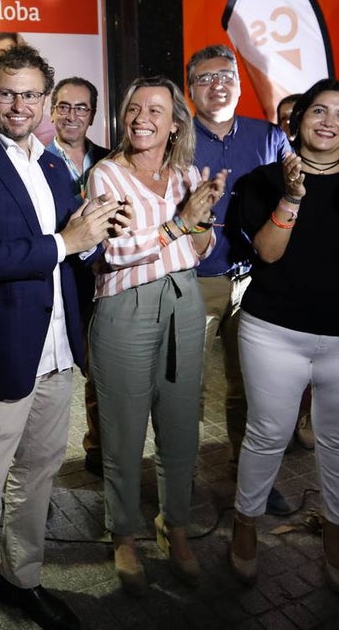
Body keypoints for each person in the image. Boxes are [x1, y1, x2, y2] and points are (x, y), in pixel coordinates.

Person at [0, 44, 122, 629]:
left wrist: (93, 232)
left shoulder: (50, 164)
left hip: (58, 351)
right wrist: (68, 241)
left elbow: (67, 249)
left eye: (31, 94)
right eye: (8, 92)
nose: (21, 105)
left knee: (38, 479)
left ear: (46, 99)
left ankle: (22, 581)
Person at [229, 79, 339, 596]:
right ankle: (245, 523)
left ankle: (337, 529)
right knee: (266, 432)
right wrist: (291, 196)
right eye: (318, 110)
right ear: (299, 118)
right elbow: (268, 253)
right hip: (274, 332)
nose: (329, 121)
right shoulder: (263, 179)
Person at [87, 76, 225, 594]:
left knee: (181, 424)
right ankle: (124, 534)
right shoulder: (106, 175)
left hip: (184, 300)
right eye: (134, 108)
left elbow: (200, 249)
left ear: (174, 124)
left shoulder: (186, 173)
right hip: (126, 306)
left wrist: (203, 222)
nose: (142, 117)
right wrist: (180, 225)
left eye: (156, 110)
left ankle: (177, 526)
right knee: (122, 430)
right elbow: (115, 252)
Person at [185, 45, 293, 514]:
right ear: (190, 89)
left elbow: (295, 191)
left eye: (226, 75)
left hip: (253, 280)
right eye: (205, 78)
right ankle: (181, 482)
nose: (218, 84)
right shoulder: (175, 135)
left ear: (238, 82)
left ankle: (252, 479)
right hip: (193, 279)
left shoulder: (268, 136)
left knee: (249, 386)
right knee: (184, 388)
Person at [44, 76, 111, 476]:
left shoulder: (111, 159)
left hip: (103, 276)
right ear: (52, 110)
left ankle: (99, 446)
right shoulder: (34, 160)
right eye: (64, 106)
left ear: (92, 115)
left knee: (100, 366)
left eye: (81, 108)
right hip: (55, 276)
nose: (71, 115)